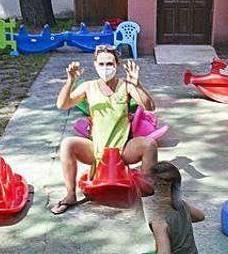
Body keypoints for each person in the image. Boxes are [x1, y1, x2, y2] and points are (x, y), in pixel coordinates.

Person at [51, 45, 159, 215]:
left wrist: (137, 85)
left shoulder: (126, 86)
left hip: (123, 150)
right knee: (67, 144)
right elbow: (62, 104)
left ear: (117, 64)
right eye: (101, 64)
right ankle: (70, 195)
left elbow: (150, 106)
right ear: (95, 65)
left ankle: (147, 197)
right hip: (96, 150)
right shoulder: (88, 86)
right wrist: (70, 81)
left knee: (149, 145)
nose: (105, 68)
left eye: (109, 64)